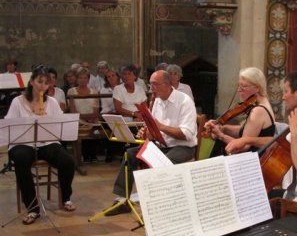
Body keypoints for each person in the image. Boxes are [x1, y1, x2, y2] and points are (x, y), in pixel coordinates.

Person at [226, 70, 297, 207]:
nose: (283, 97)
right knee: (242, 198)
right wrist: (247, 140)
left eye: (286, 92)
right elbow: (278, 146)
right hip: (292, 197)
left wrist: (296, 132)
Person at [104, 70, 197, 216]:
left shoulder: (184, 101)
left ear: (167, 84)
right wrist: (147, 132)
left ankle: (159, 206)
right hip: (161, 145)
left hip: (183, 147)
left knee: (163, 162)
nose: (151, 88)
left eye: (155, 84)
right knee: (130, 154)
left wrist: (160, 127)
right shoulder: (157, 101)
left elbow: (187, 134)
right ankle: (122, 200)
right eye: (150, 84)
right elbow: (154, 130)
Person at [5, 66, 76, 225]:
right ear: (31, 82)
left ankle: (66, 198)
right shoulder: (18, 101)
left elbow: (60, 124)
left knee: (67, 161)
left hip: (46, 141)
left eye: (46, 83)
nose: (42, 86)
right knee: (22, 159)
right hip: (23, 142)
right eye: (39, 82)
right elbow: (10, 125)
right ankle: (32, 208)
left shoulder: (51, 102)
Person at [205, 67, 275, 155]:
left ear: (257, 88)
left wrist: (221, 136)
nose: (239, 90)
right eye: (239, 86)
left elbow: (244, 147)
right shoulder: (263, 102)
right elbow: (247, 130)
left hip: (253, 160)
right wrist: (224, 128)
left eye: (244, 86)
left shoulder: (258, 111)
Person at [67, 67, 100, 162]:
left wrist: (91, 118)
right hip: (78, 119)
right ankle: (84, 155)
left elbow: (96, 108)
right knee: (82, 127)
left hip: (92, 119)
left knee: (95, 127)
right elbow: (72, 109)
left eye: (85, 78)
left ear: (88, 79)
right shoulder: (71, 91)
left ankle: (92, 154)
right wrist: (84, 119)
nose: (83, 80)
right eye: (80, 78)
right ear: (77, 79)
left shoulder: (94, 92)